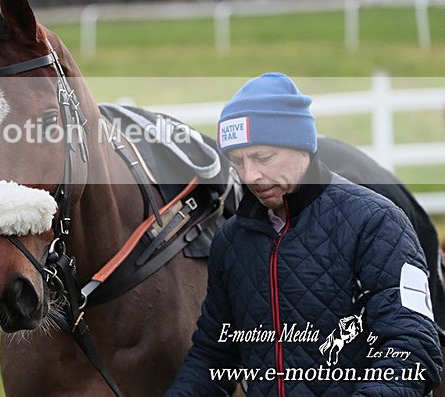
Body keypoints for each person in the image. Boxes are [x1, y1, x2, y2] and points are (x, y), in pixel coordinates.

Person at [166, 72, 442, 396]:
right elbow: (213, 356)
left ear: (302, 147)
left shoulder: (377, 222)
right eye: (238, 162)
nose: (251, 175)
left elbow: (412, 347)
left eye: (263, 157)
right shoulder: (231, 241)